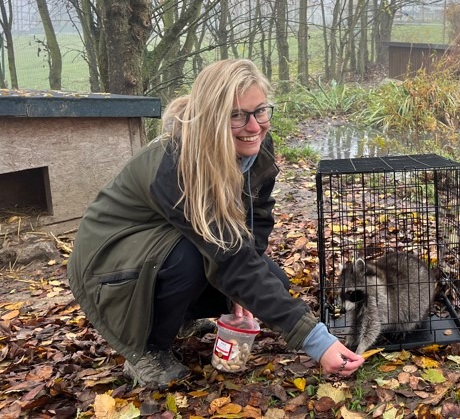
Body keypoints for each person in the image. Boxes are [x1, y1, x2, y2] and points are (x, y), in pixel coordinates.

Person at [67, 59, 364, 389]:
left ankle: (177, 320)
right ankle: (146, 351)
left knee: (272, 279)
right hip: (107, 267)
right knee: (191, 259)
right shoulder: (177, 164)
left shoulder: (256, 145)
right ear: (211, 118)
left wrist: (244, 290)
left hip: (159, 249)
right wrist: (317, 341)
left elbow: (258, 218)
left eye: (260, 111)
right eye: (236, 115)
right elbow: (228, 258)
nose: (253, 126)